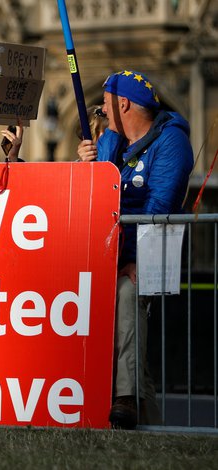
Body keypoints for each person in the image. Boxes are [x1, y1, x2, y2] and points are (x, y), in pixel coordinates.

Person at [77, 70, 194, 429]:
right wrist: (91, 162)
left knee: (127, 299)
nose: (102, 111)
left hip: (148, 257)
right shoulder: (116, 140)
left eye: (106, 105)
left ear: (122, 103)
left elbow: (160, 205)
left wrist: (135, 260)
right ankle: (145, 429)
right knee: (133, 346)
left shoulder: (171, 142)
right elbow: (99, 196)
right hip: (111, 258)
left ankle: (124, 396)